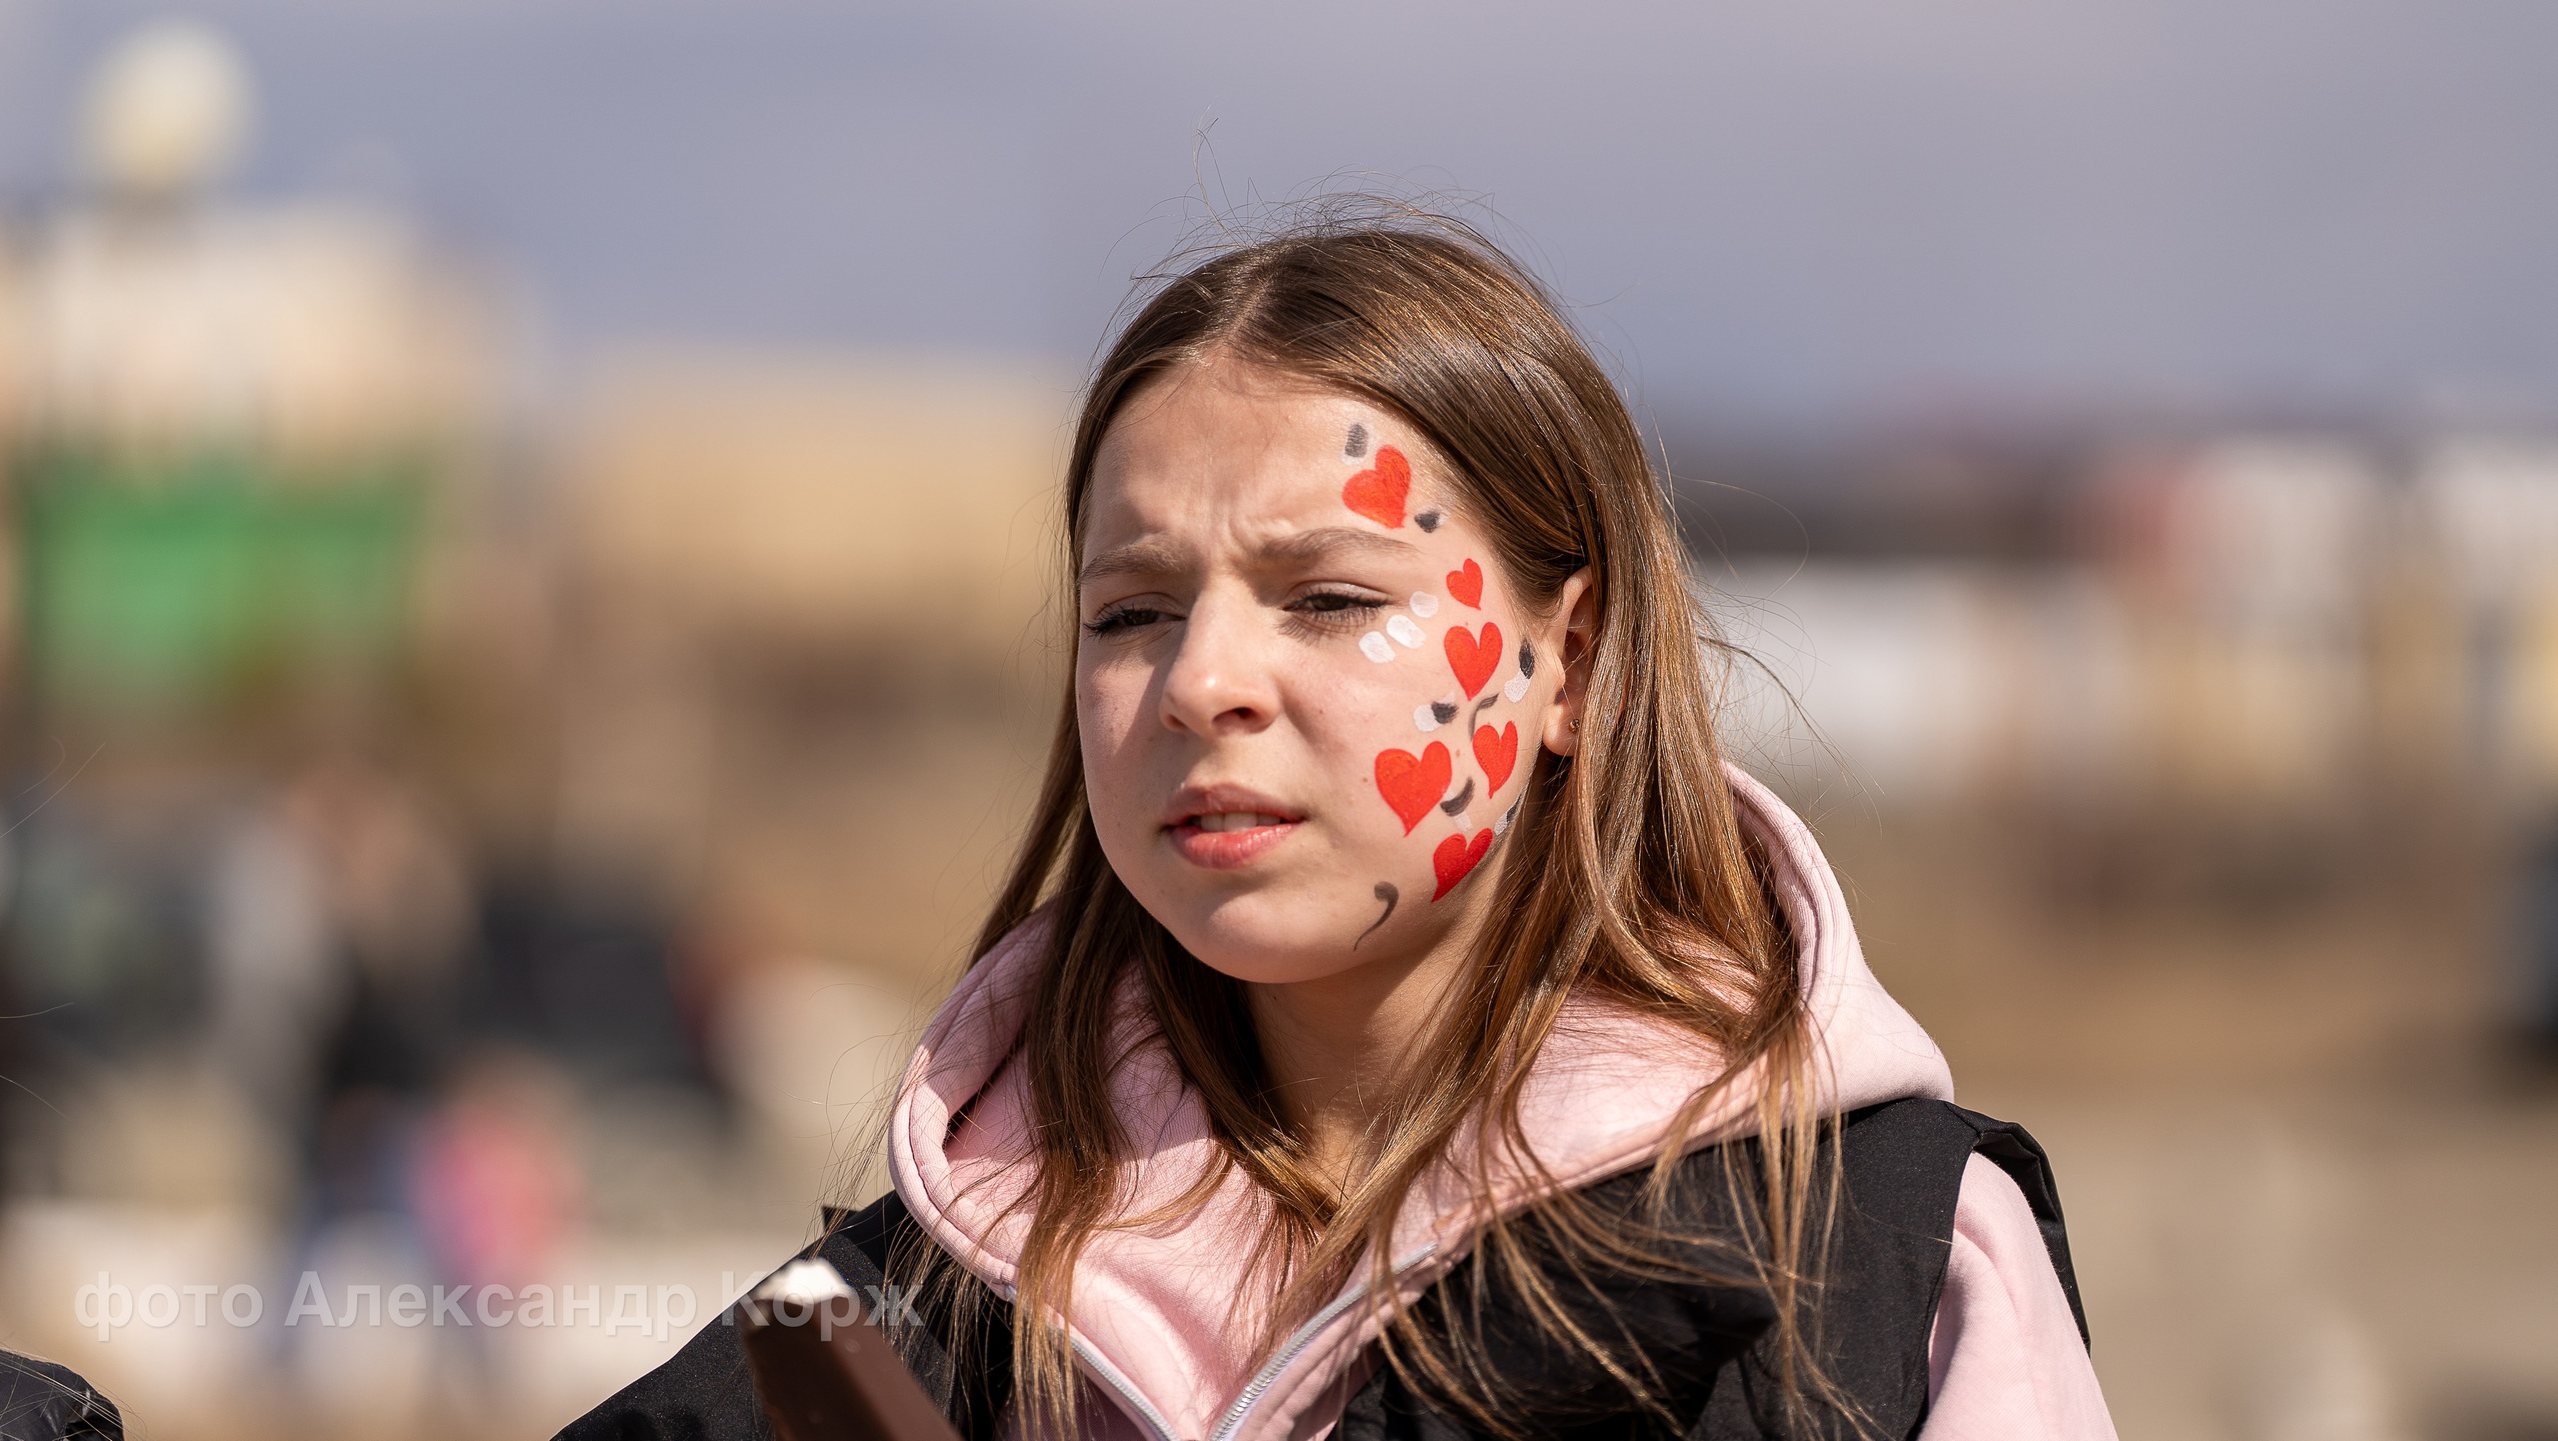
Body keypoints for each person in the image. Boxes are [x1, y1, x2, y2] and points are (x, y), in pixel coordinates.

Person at [563, 215, 2116, 1440]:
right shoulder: (909, 1316)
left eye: (1330, 598)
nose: (1202, 681)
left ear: (1566, 660)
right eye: (1133, 609)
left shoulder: (1884, 1261)